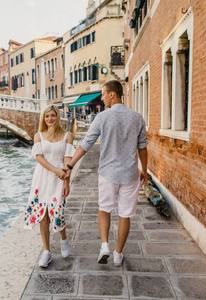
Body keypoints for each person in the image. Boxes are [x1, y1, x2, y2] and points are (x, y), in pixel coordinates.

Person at [63, 80, 147, 267]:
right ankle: (118, 255)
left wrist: (69, 166)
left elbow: (86, 143)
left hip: (108, 173)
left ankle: (105, 246)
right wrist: (145, 170)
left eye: (103, 94)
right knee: (125, 214)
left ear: (112, 94)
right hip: (130, 174)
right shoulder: (137, 118)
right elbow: (142, 147)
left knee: (105, 209)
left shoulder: (102, 117)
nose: (101, 98)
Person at [24, 105, 76, 268]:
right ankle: (46, 251)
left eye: (53, 115)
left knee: (57, 212)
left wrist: (66, 180)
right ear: (43, 118)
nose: (50, 119)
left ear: (58, 116)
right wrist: (56, 170)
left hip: (60, 178)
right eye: (47, 116)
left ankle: (63, 238)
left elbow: (67, 159)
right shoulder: (38, 136)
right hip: (42, 177)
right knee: (43, 215)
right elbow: (39, 158)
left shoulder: (67, 135)